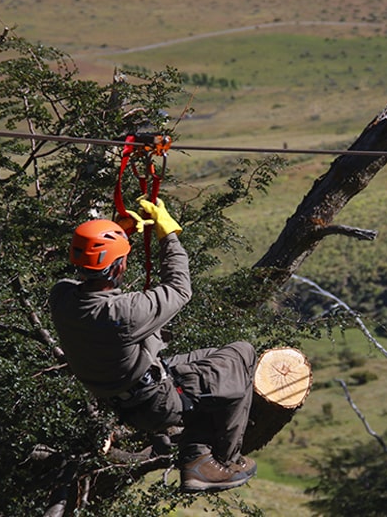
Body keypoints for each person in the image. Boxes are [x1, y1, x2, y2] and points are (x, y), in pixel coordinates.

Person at [49, 197, 258, 493]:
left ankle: (196, 450)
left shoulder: (61, 299)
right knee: (242, 355)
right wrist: (168, 236)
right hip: (157, 402)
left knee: (214, 356)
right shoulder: (122, 312)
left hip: (126, 397)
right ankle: (221, 464)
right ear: (119, 264)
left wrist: (121, 234)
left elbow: (81, 278)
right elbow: (179, 289)